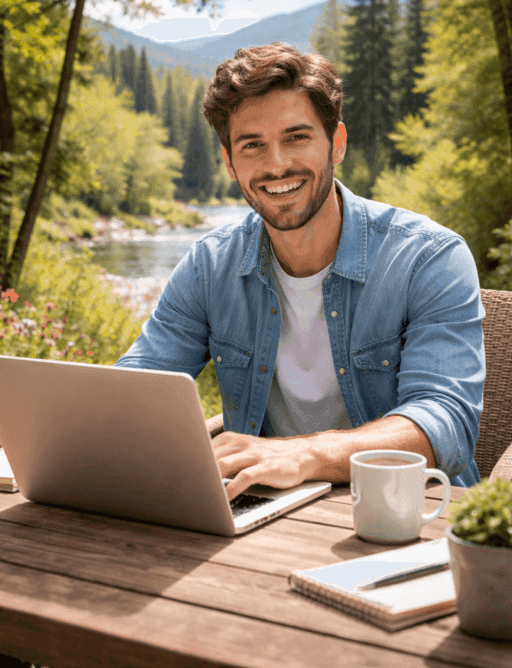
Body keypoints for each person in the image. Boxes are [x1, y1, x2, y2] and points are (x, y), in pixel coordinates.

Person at [115, 43, 485, 500]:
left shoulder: (429, 257)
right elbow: (135, 391)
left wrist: (302, 455)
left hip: (407, 518)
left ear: (337, 143)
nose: (276, 165)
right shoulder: (210, 267)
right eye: (252, 145)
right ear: (230, 162)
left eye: (297, 137)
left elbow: (445, 423)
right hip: (266, 509)